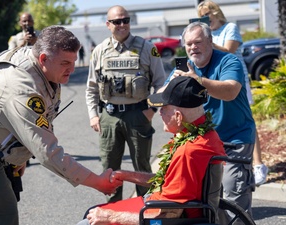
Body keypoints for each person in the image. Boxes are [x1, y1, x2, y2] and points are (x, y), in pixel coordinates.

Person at [0, 26, 122, 225]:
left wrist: (19, 156)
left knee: (5, 207)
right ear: (43, 59)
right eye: (66, 63)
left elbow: (37, 120)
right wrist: (97, 182)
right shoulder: (20, 87)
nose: (73, 69)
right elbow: (47, 152)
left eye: (74, 61)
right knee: (2, 216)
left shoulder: (44, 69)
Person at [77, 76, 226, 225]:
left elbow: (166, 217)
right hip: (160, 205)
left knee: (86, 221)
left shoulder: (188, 151)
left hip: (166, 215)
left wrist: (111, 217)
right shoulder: (205, 136)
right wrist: (126, 175)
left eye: (164, 109)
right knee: (93, 212)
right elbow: (170, 181)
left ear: (178, 117)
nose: (159, 113)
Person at [167, 22, 256, 223]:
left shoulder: (228, 61)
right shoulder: (184, 68)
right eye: (188, 44)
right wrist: (172, 85)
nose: (192, 47)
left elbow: (230, 91)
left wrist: (198, 80)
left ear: (210, 41)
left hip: (235, 138)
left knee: (235, 197)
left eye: (198, 42)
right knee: (207, 201)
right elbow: (162, 98)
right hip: (203, 143)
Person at [85, 5, 167, 203]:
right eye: (117, 21)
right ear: (108, 24)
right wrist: (93, 115)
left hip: (138, 115)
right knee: (109, 168)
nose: (122, 25)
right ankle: (114, 211)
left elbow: (161, 84)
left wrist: (152, 110)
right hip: (109, 116)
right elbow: (91, 88)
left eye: (126, 20)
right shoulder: (99, 52)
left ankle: (146, 208)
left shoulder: (147, 48)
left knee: (142, 166)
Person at [197, 0, 268, 187]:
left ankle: (258, 163)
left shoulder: (230, 28)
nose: (205, 19)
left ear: (215, 12)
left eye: (207, 15)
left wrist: (206, 41)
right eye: (201, 17)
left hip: (235, 78)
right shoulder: (205, 33)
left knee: (246, 118)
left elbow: (229, 50)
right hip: (214, 79)